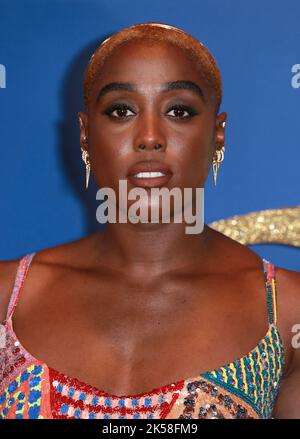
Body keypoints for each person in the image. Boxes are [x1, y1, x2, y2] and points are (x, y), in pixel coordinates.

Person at [0, 22, 299, 420]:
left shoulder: (287, 311)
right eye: (121, 110)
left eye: (179, 110)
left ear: (218, 133)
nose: (150, 136)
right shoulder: (8, 299)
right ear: (85, 134)